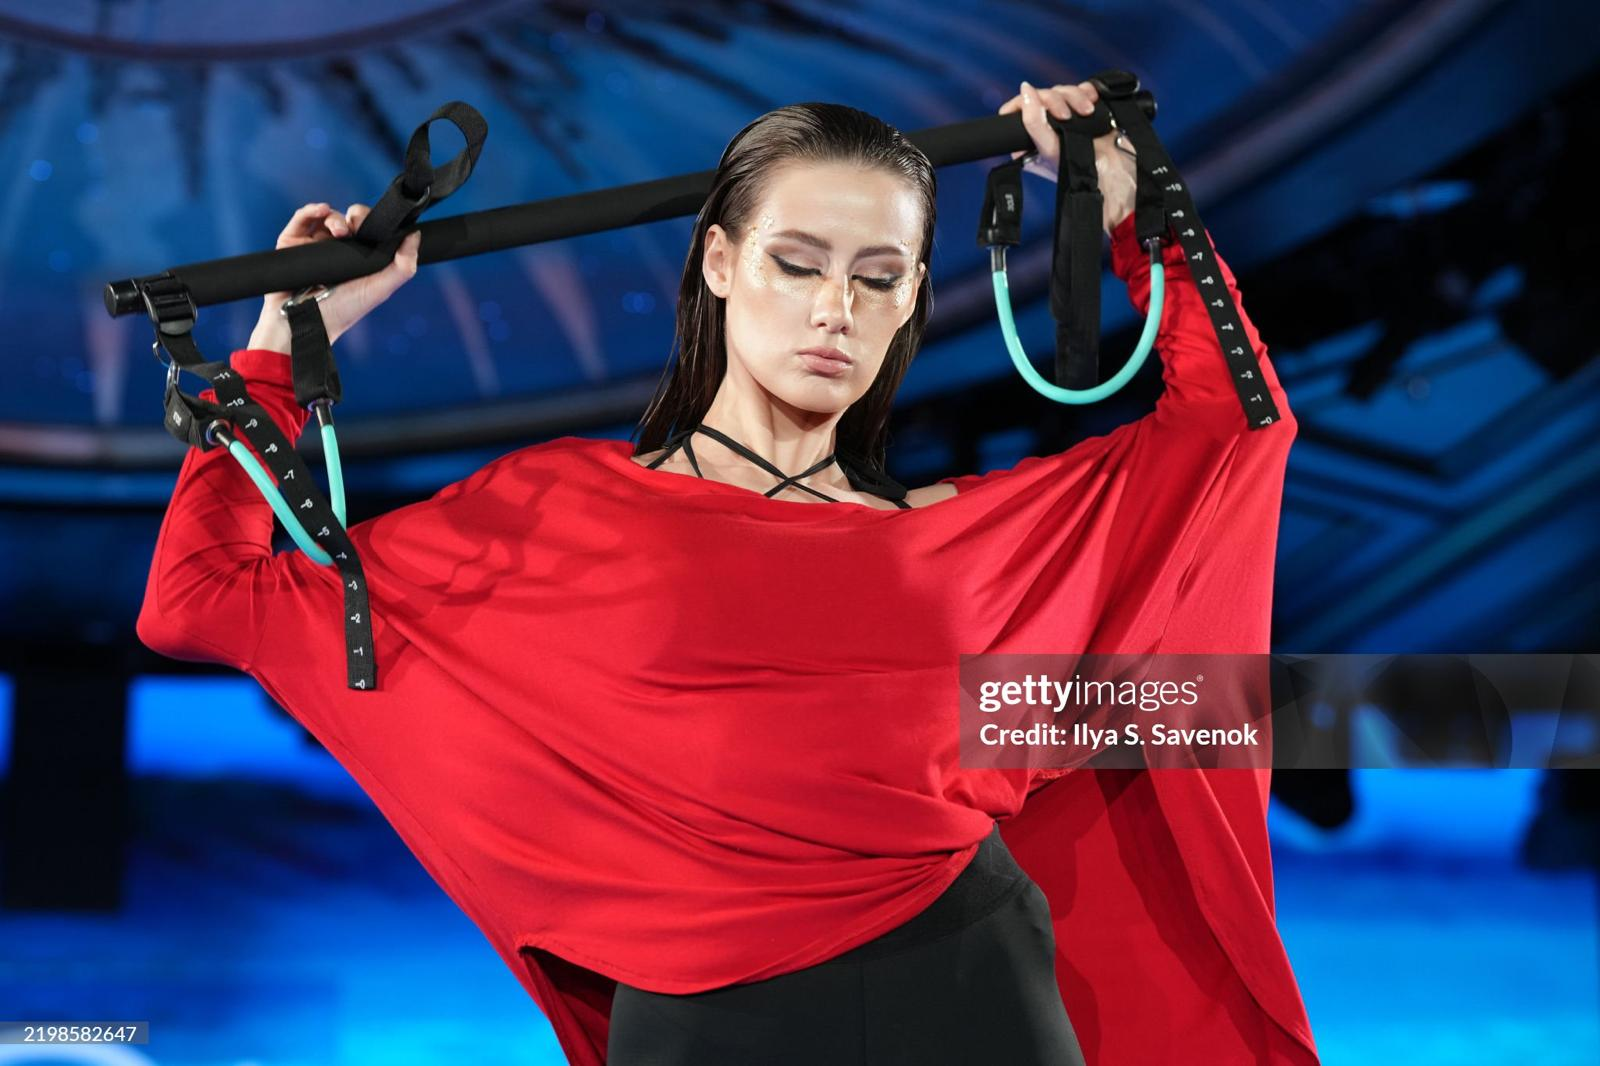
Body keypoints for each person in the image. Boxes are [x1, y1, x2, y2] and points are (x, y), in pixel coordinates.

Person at [138, 80, 1319, 1065]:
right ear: (716, 260)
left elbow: (1236, 432)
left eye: (876, 275)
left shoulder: (962, 535)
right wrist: (290, 344)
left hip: (971, 986)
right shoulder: (556, 514)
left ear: (913, 293)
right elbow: (202, 599)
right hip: (703, 1026)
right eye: (797, 262)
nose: (834, 311)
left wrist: (1134, 210)